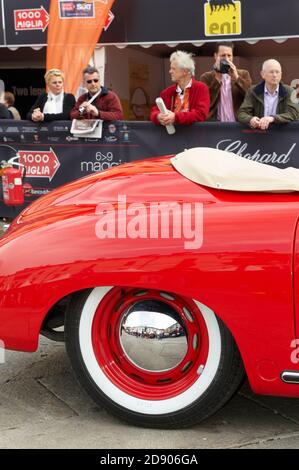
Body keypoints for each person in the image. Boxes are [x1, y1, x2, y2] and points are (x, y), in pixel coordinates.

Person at [150, 51, 210, 127]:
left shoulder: (201, 88)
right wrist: (158, 116)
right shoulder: (166, 92)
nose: (170, 71)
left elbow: (201, 114)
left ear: (185, 71)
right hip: (171, 137)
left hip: (194, 137)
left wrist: (175, 117)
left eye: (173, 69)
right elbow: (154, 112)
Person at [237, 59, 299, 129]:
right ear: (263, 74)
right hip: (259, 133)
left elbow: (294, 113)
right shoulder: (253, 91)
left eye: (277, 72)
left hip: (281, 133)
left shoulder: (290, 91)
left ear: (281, 74)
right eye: (271, 72)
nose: (275, 75)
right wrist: (251, 119)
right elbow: (241, 113)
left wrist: (272, 118)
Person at [200, 42, 252, 121]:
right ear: (216, 56)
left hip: (238, 124)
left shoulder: (243, 74)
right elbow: (206, 103)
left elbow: (250, 96)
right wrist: (217, 79)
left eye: (229, 55)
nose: (227, 59)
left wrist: (236, 78)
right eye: (223, 55)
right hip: (215, 125)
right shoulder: (206, 77)